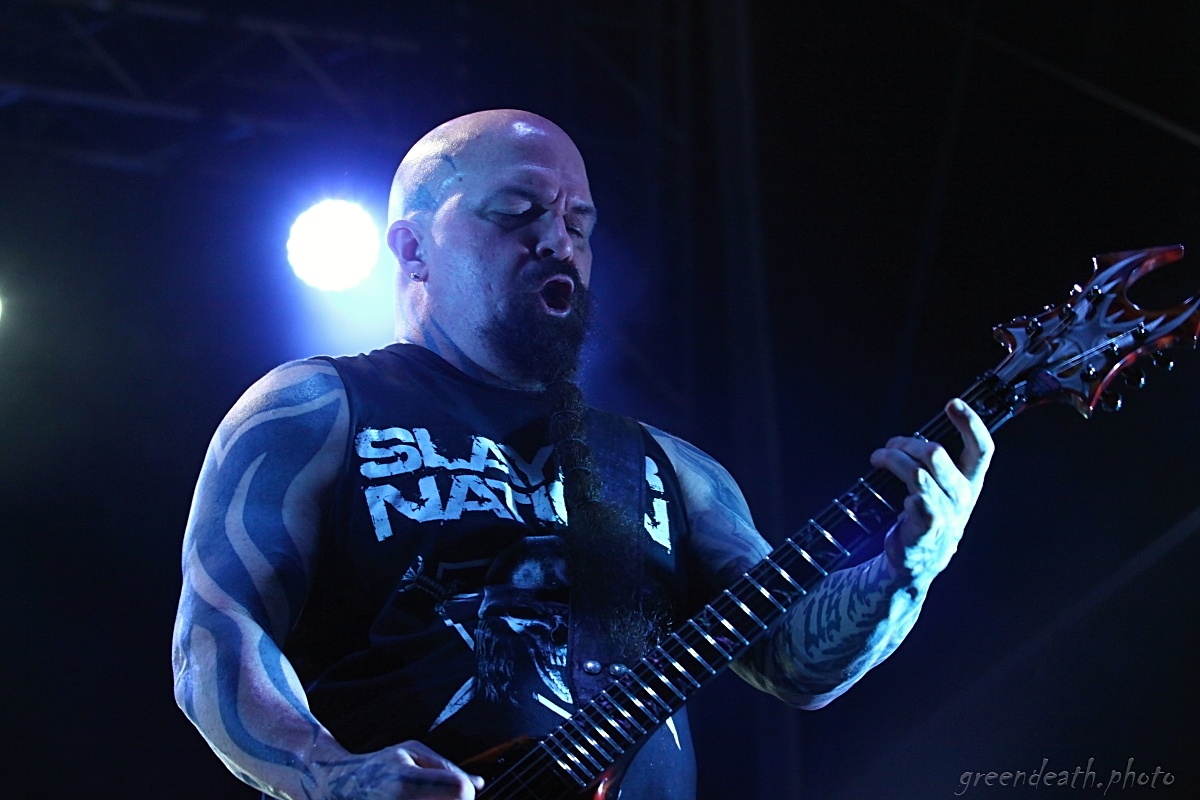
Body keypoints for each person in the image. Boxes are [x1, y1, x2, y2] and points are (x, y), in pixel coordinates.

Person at [172, 109, 993, 800]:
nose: (556, 241)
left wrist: (911, 564)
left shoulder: (670, 471)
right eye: (516, 211)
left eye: (577, 223)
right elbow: (216, 633)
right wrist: (330, 773)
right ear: (414, 249)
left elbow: (796, 661)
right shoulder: (318, 407)